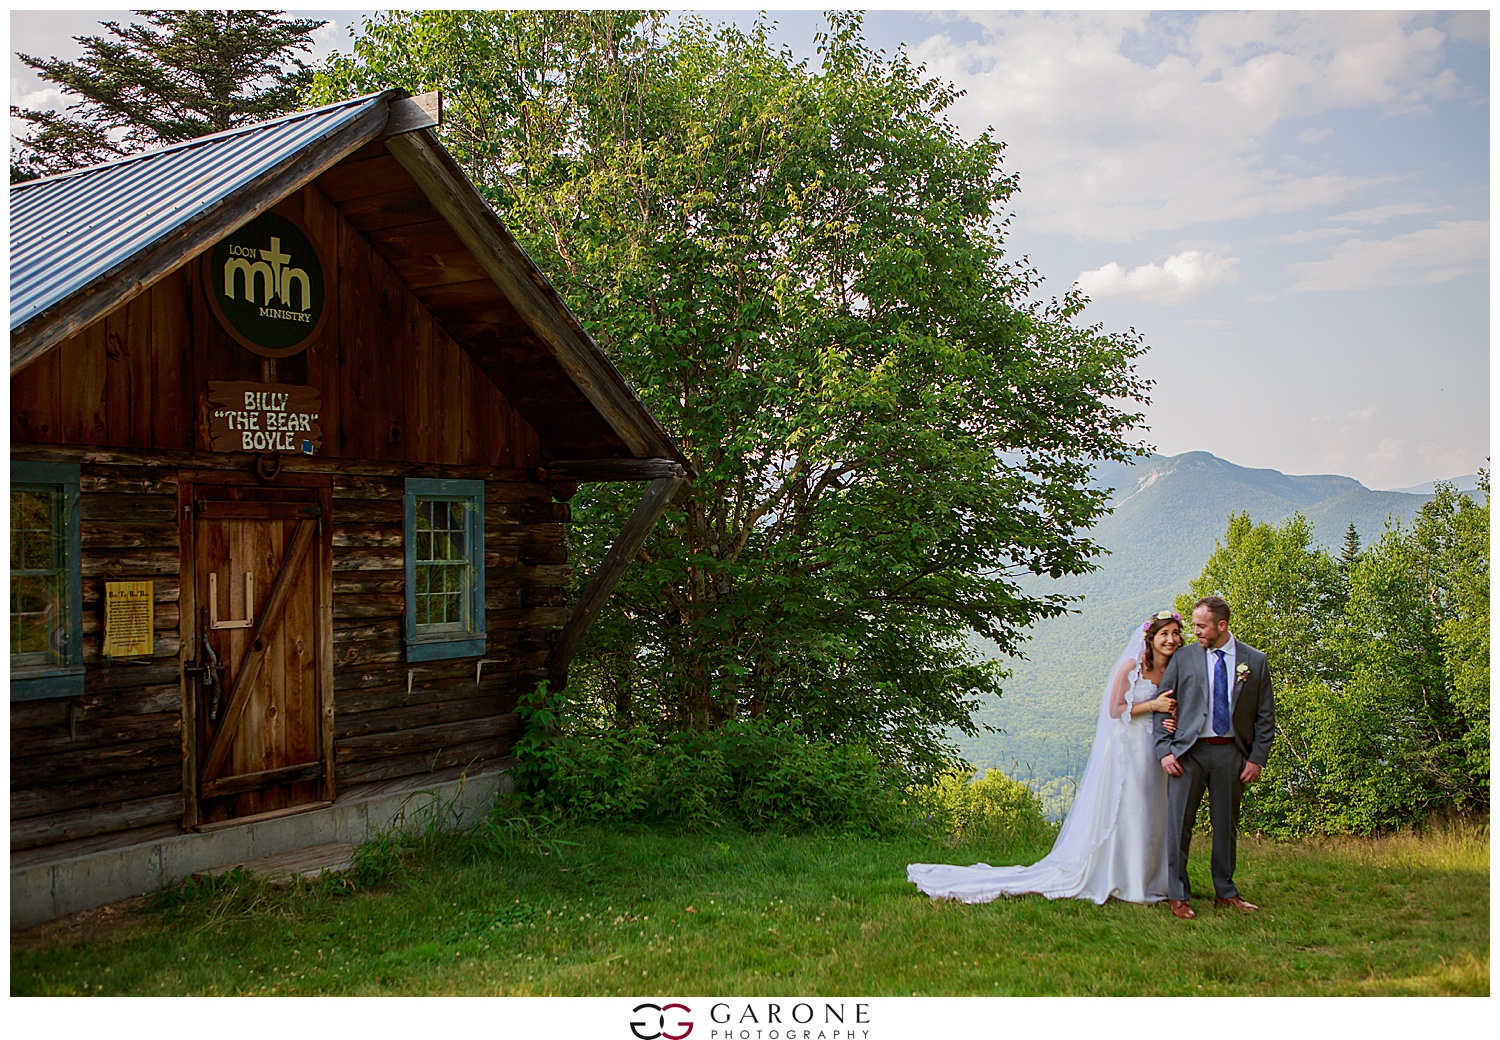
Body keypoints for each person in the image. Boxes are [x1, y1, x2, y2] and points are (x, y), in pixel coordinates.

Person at [907, 611, 1183, 905]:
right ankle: (1124, 879)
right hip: (1129, 747)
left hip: (1156, 748)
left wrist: (1172, 717)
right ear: (1150, 638)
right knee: (1132, 808)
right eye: (1163, 633)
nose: (1170, 639)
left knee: (1154, 808)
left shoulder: (1176, 668)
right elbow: (1116, 710)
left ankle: (1151, 878)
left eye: (1175, 633)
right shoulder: (1132, 666)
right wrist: (1153, 704)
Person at [1154, 595, 1275, 919]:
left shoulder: (1255, 661)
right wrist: (1165, 750)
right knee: (1179, 827)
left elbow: (1265, 717)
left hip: (1231, 755)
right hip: (1187, 754)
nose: (1195, 632)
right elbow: (1162, 705)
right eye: (1193, 625)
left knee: (1226, 827)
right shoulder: (1183, 659)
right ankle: (1178, 895)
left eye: (1201, 626)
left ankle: (1226, 892)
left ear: (1222, 625)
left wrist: (1256, 759)